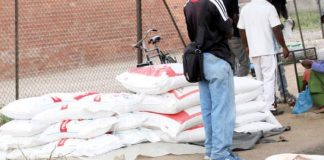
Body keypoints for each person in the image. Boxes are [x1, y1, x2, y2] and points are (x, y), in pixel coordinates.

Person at [184, 0, 241, 160]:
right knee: (222, 110)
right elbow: (229, 30)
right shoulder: (214, 2)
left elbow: (191, 35)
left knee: (208, 110)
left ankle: (210, 152)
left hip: (200, 62)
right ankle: (220, 154)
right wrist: (229, 22)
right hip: (218, 59)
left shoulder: (188, 5)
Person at [237, 0, 289, 115]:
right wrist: (284, 47)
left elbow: (241, 28)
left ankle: (261, 105)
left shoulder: (246, 9)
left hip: (254, 51)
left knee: (259, 79)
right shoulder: (269, 7)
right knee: (269, 78)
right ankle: (270, 106)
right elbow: (276, 28)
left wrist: (245, 46)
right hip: (267, 49)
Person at [269, 0, 296, 106]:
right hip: (269, 33)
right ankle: (272, 97)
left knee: (279, 65)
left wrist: (287, 19)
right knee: (270, 68)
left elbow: (283, 7)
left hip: (276, 32)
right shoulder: (265, 6)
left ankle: (284, 93)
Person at [225, 0, 250, 77]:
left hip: (225, 36)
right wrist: (241, 32)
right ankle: (238, 83)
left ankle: (232, 86)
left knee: (230, 65)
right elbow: (235, 16)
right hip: (234, 35)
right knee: (245, 63)